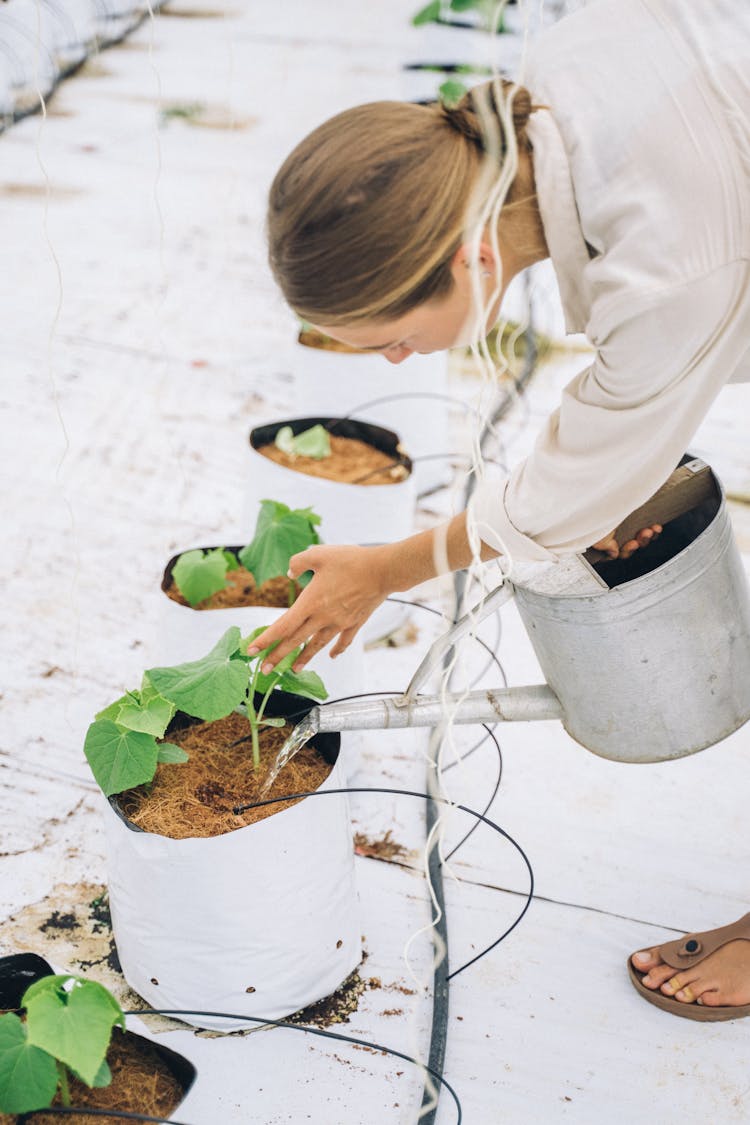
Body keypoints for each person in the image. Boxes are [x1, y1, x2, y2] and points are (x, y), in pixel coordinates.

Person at [250, 0, 750, 1019]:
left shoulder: (664, 254)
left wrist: (389, 567)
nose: (393, 362)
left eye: (389, 334)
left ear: (471, 259)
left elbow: (573, 489)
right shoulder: (565, 60)